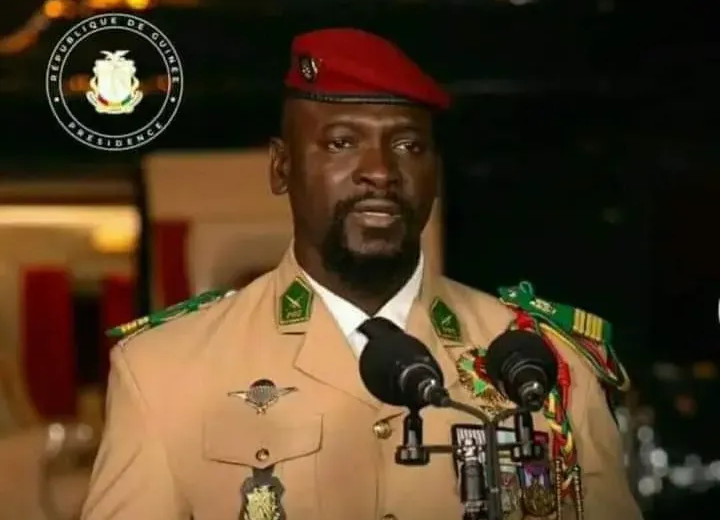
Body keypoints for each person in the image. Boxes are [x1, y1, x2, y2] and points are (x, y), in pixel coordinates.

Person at [81, 28, 642, 520]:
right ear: (282, 167)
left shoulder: (546, 362)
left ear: (435, 173)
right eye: (341, 143)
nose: (379, 171)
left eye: (407, 144)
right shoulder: (166, 369)